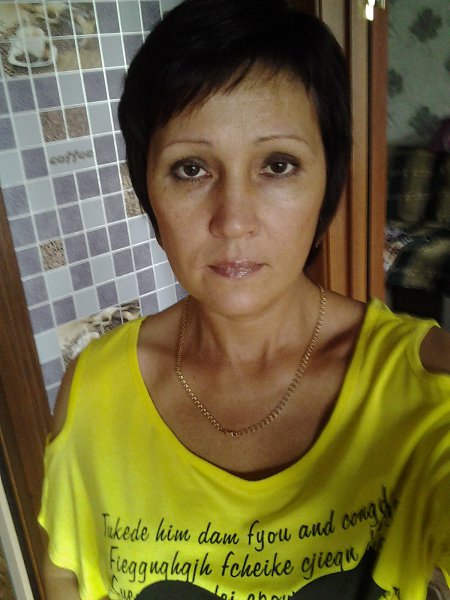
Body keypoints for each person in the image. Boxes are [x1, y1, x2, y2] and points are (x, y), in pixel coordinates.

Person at [38, 0, 450, 598]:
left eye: (278, 165)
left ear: (328, 181)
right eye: (190, 169)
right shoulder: (94, 390)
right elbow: (64, 570)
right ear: (148, 189)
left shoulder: (426, 387)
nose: (233, 220)